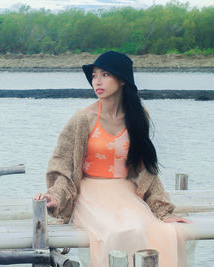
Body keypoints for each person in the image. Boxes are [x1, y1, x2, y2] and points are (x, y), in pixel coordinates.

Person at [34, 51, 193, 267]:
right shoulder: (83, 118)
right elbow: (62, 165)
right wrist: (56, 196)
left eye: (105, 75)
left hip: (126, 194)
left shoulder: (138, 115)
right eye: (94, 75)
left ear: (122, 80)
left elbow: (146, 168)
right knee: (117, 233)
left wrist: (162, 210)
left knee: (154, 231)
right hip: (90, 194)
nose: (96, 81)